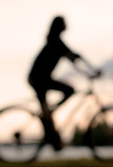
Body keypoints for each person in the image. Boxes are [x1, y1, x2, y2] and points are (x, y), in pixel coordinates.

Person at [28, 16, 83, 150]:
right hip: (38, 79)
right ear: (59, 26)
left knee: (48, 111)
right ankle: (53, 135)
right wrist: (90, 72)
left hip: (41, 79)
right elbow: (73, 57)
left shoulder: (56, 42)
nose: (66, 25)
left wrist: (90, 71)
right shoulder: (56, 42)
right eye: (64, 23)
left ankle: (53, 137)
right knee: (67, 92)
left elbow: (73, 57)